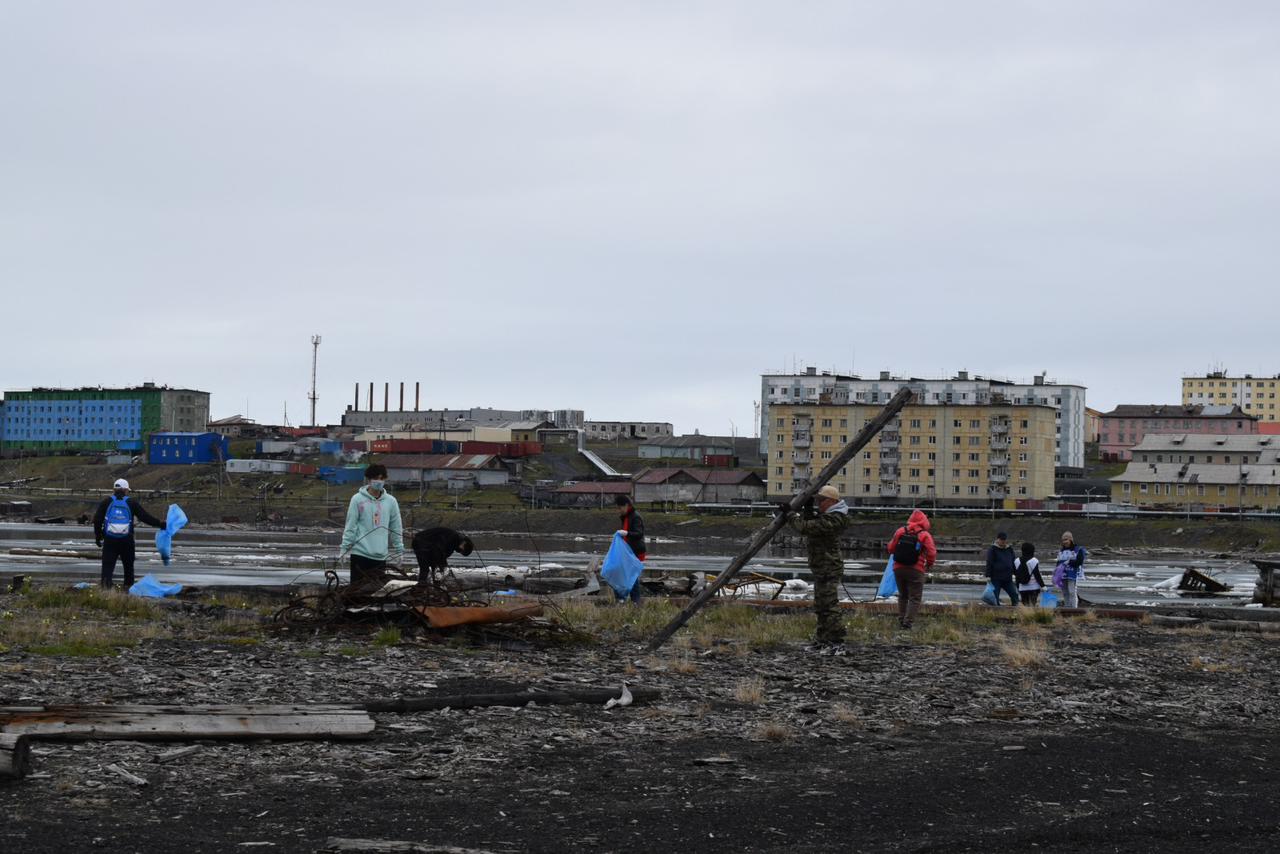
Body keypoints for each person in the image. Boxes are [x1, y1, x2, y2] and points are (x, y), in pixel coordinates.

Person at [785, 485, 852, 645]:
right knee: (821, 604)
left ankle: (836, 638)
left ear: (830, 501)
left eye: (821, 501)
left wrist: (790, 515)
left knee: (829, 605)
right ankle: (823, 637)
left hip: (829, 566)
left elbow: (806, 528)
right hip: (822, 566)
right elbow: (812, 523)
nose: (818, 504)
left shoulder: (835, 519)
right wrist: (807, 510)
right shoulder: (830, 516)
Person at [92, 478, 166, 590]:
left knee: (107, 566)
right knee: (128, 567)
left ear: (114, 489)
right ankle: (128, 589)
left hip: (110, 540)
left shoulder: (106, 501)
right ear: (126, 490)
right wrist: (160, 524)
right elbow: (144, 517)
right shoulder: (131, 502)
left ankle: (105, 590)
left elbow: (97, 520)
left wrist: (98, 536)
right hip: (127, 540)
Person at [339, 464, 404, 587]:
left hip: (380, 556)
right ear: (368, 479)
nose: (379, 482)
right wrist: (344, 548)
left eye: (381, 478)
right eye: (375, 478)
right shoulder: (357, 499)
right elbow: (351, 526)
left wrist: (399, 549)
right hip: (360, 554)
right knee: (357, 592)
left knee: (376, 593)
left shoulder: (391, 501)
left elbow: (396, 527)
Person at [886, 509, 937, 629]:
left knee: (903, 595)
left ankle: (901, 619)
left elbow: (891, 549)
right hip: (916, 569)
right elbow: (932, 552)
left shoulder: (900, 531)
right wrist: (929, 564)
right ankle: (907, 623)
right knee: (915, 597)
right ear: (924, 521)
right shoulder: (924, 535)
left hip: (898, 568)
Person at [613, 495, 646, 603]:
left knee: (631, 576)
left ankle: (633, 600)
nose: (618, 510)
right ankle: (627, 599)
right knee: (624, 574)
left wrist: (626, 533)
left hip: (635, 551)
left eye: (620, 508)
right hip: (628, 551)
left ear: (626, 505)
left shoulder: (635, 517)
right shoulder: (626, 517)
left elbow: (639, 534)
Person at [985, 531, 1020, 606]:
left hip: (1007, 578)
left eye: (1004, 539)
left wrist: (1016, 573)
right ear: (997, 539)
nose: (1003, 541)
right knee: (995, 597)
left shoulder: (1009, 549)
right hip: (996, 578)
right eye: (1001, 539)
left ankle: (1015, 608)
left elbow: (1013, 561)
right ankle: (996, 611)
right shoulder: (993, 549)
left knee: (1014, 594)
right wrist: (988, 575)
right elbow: (989, 562)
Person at [1055, 531, 1087, 608]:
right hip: (1063, 574)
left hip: (1072, 573)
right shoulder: (1061, 551)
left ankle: (1074, 608)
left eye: (1066, 539)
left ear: (1071, 540)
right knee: (1065, 592)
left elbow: (1079, 561)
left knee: (1072, 591)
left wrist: (1069, 562)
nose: (1064, 542)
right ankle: (1067, 607)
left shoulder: (1078, 549)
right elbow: (1058, 563)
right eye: (1063, 540)